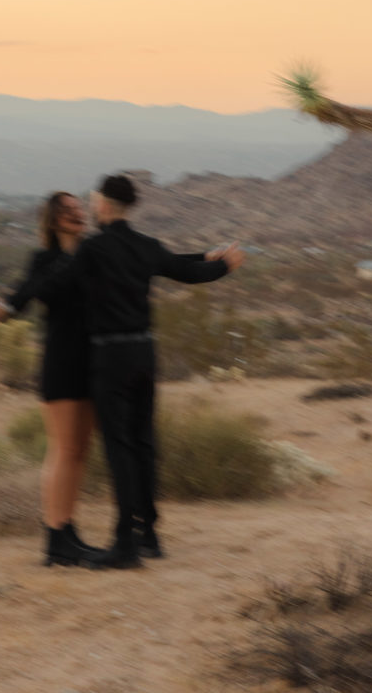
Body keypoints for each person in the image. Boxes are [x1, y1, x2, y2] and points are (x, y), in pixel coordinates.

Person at [35, 174, 244, 569]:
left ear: (102, 205)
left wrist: (14, 299)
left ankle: (124, 545)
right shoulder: (144, 245)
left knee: (121, 450)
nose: (87, 208)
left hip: (109, 359)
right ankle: (148, 534)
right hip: (145, 354)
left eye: (90, 202)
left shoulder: (95, 249)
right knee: (144, 444)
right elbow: (179, 267)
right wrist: (219, 265)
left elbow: (49, 286)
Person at [0, 191, 97, 567]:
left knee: (80, 451)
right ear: (55, 220)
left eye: (80, 209)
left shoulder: (94, 254)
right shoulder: (45, 260)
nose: (79, 214)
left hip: (92, 360)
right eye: (70, 211)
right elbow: (24, 295)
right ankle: (55, 539)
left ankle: (69, 531)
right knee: (62, 449)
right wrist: (2, 310)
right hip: (60, 360)